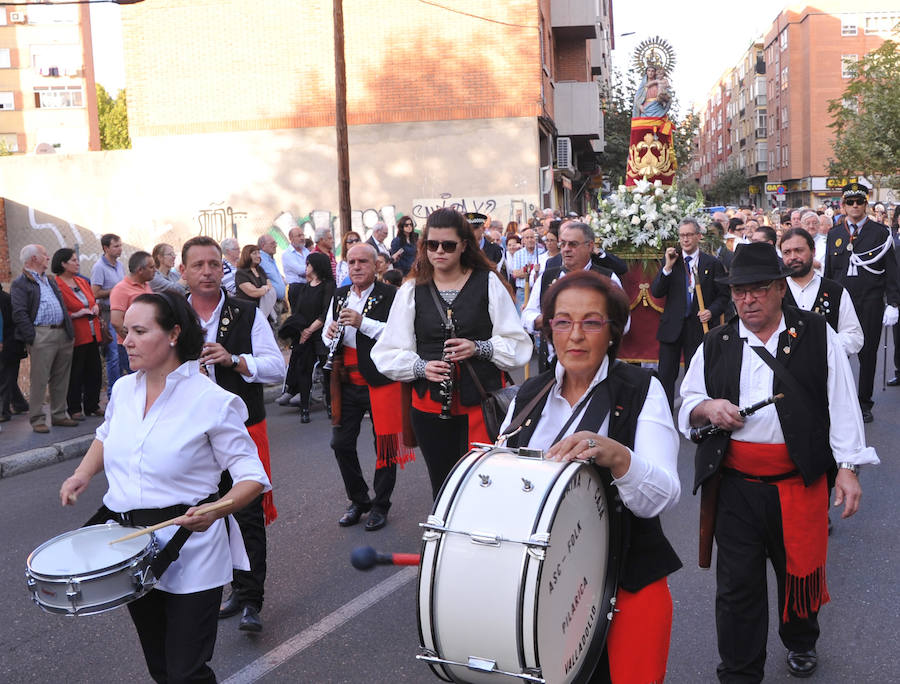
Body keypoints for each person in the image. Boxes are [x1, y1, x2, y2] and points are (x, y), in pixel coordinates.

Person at [679, 242, 878, 682]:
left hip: (798, 480)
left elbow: (842, 402)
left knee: (797, 573)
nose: (747, 300)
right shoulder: (718, 342)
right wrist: (709, 407)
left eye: (757, 290)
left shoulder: (815, 332)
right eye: (738, 292)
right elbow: (687, 401)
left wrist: (847, 467)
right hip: (735, 486)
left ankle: (801, 640)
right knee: (737, 589)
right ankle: (740, 669)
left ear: (779, 288)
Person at [59, 292, 271, 683]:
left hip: (192, 550)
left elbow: (252, 476)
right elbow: (106, 436)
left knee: (186, 673)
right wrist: (83, 474)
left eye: (139, 331)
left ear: (174, 334)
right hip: (130, 548)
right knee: (161, 669)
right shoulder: (123, 390)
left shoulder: (212, 400)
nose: (127, 341)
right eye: (125, 332)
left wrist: (218, 509)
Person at [500, 270, 681, 684]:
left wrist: (618, 457)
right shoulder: (529, 396)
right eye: (563, 322)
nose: (575, 335)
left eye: (591, 322)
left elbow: (662, 496)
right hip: (542, 583)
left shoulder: (641, 389)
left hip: (623, 578)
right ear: (549, 331)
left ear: (613, 332)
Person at [372, 208, 532, 497]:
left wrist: (479, 347)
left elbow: (518, 343)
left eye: (448, 245)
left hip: (481, 403)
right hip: (430, 408)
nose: (439, 252)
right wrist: (421, 368)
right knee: (443, 487)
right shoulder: (411, 290)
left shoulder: (488, 282)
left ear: (464, 246)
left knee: (483, 486)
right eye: (432, 245)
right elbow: (388, 351)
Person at [179, 236, 285, 634]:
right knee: (208, 513)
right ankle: (234, 588)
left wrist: (235, 360)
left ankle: (251, 599)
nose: (207, 271)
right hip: (193, 434)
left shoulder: (245, 313)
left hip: (242, 429)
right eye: (198, 265)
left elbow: (277, 368)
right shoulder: (175, 317)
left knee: (247, 515)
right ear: (184, 272)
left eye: (213, 264)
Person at [323, 244, 412, 530]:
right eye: (351, 262)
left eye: (363, 261)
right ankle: (359, 499)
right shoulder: (339, 295)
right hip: (346, 380)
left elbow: (400, 335)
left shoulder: (391, 295)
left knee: (384, 446)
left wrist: (363, 323)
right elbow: (329, 334)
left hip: (380, 378)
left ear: (377, 266)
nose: (357, 267)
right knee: (340, 443)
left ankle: (381, 505)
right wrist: (329, 334)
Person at [824, 182, 900, 422]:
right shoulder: (835, 234)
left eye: (859, 202)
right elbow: (829, 272)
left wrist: (893, 303)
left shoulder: (880, 233)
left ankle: (863, 402)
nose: (854, 206)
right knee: (837, 353)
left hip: (870, 300)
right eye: (850, 202)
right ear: (843, 205)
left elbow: (891, 271)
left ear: (866, 204)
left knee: (867, 353)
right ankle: (839, 400)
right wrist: (823, 299)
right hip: (841, 303)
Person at [522, 222, 625, 372]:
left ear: (590, 246)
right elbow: (527, 315)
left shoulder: (607, 278)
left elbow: (623, 321)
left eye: (573, 244)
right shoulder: (547, 277)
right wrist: (548, 320)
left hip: (595, 366)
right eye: (562, 244)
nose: (566, 249)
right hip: (551, 366)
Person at [650, 219, 730, 409]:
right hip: (672, 327)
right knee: (666, 374)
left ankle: (694, 413)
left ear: (698, 236)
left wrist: (711, 311)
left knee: (695, 374)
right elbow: (657, 291)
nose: (685, 239)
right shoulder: (672, 261)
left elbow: (723, 295)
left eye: (689, 235)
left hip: (698, 327)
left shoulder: (712, 263)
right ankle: (665, 414)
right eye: (682, 236)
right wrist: (667, 268)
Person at [11, 244, 76, 433]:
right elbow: (19, 313)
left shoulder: (49, 280)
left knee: (61, 376)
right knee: (39, 378)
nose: (48, 258)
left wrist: (68, 331)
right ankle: (37, 418)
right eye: (44, 255)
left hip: (62, 332)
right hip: (42, 333)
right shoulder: (20, 283)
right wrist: (32, 337)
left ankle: (59, 414)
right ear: (33, 259)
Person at [781, 228, 863, 356]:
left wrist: (826, 344)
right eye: (787, 252)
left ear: (813, 252)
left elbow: (855, 337)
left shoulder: (835, 291)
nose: (793, 257)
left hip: (827, 371)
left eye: (799, 250)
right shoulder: (774, 292)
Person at [279, 252, 335, 420]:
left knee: (327, 371)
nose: (306, 268)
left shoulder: (329, 285)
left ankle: (331, 405)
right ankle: (304, 408)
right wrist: (303, 331)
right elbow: (299, 313)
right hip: (304, 335)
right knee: (303, 370)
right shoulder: (303, 287)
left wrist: (310, 329)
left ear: (316, 266)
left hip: (322, 334)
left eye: (308, 264)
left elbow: (326, 312)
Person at [52, 248, 103, 419]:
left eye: (77, 259)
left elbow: (91, 300)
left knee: (94, 370)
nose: (77, 263)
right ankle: (74, 408)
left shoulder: (81, 281)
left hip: (92, 331)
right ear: (63, 263)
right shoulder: (56, 284)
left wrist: (95, 307)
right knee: (76, 372)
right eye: (73, 260)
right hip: (75, 334)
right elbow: (59, 310)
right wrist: (76, 314)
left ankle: (92, 405)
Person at [90, 233, 126, 395]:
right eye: (116, 246)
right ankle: (113, 394)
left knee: (123, 353)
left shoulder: (119, 265)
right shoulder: (99, 267)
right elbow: (95, 293)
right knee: (113, 356)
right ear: (106, 248)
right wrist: (117, 290)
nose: (120, 249)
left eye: (120, 245)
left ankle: (123, 392)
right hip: (108, 313)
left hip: (122, 313)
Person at [110, 251, 156, 346]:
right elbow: (116, 321)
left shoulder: (146, 285)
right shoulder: (121, 289)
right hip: (131, 347)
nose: (155, 270)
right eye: (151, 267)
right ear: (140, 270)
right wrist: (132, 342)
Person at [0, 282, 29, 421]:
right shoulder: (6, 298)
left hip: (8, 344)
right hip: (12, 344)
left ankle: (3, 412)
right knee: (8, 377)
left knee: (5, 378)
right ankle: (20, 404)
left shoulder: (5, 299)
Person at [257, 234, 286, 309]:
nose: (275, 245)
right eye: (272, 243)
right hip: (271, 303)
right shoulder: (260, 260)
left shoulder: (270, 258)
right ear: (263, 246)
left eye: (275, 243)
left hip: (278, 302)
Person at [283, 227, 310, 305]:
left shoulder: (306, 251)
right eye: (298, 236)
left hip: (308, 286)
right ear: (291, 238)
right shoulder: (287, 254)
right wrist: (312, 269)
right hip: (297, 289)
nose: (302, 238)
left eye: (302, 235)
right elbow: (301, 271)